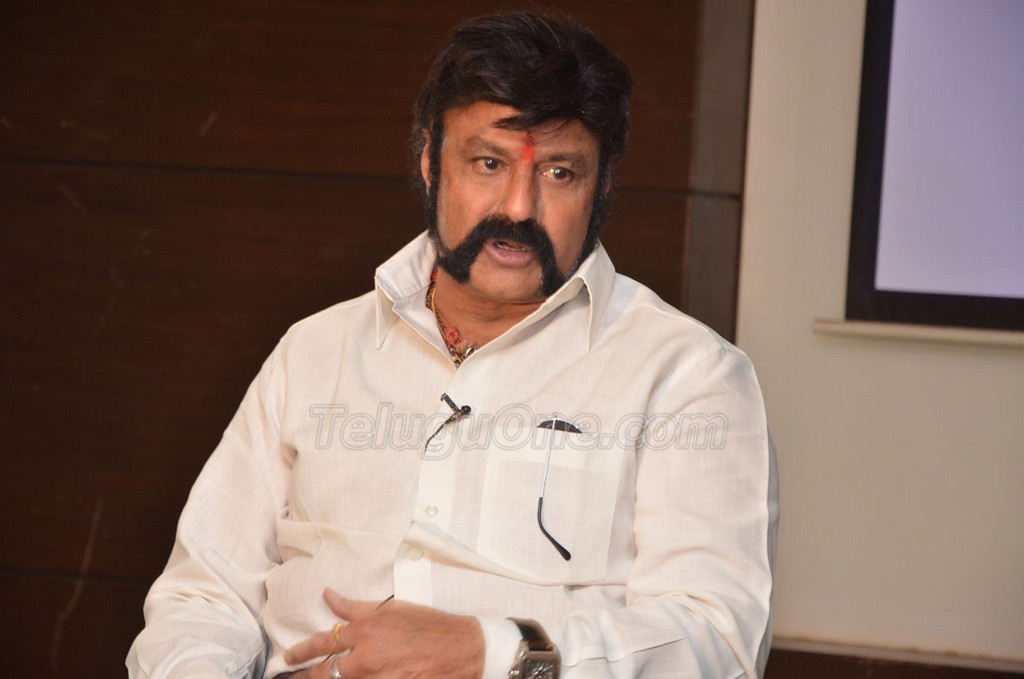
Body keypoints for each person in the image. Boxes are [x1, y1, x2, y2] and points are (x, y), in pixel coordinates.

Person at [127, 10, 778, 679]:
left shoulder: (687, 375)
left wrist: (487, 652)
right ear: (430, 164)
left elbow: (717, 641)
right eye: (488, 163)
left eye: (559, 173)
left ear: (603, 186)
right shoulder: (315, 351)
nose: (519, 208)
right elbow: (203, 595)